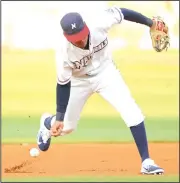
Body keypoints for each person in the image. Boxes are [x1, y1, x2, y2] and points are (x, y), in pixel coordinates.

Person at [37, 6, 164, 175]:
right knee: (67, 127)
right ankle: (47, 123)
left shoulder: (100, 21)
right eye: (76, 39)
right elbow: (63, 84)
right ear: (67, 37)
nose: (81, 40)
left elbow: (123, 13)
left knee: (131, 110)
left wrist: (150, 23)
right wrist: (59, 117)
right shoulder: (63, 52)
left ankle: (147, 161)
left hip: (106, 72)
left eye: (82, 35)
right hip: (78, 81)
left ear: (85, 26)